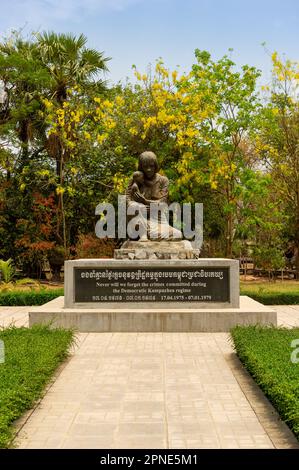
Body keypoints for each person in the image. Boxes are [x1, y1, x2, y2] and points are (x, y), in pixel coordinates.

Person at [126, 151, 182, 241]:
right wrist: (141, 207)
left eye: (151, 166)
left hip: (158, 220)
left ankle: (152, 236)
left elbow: (162, 203)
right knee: (134, 206)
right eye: (145, 166)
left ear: (155, 165)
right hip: (139, 218)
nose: (148, 169)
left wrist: (145, 201)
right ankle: (143, 236)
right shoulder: (136, 178)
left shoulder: (163, 180)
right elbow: (128, 199)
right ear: (141, 167)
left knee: (177, 234)